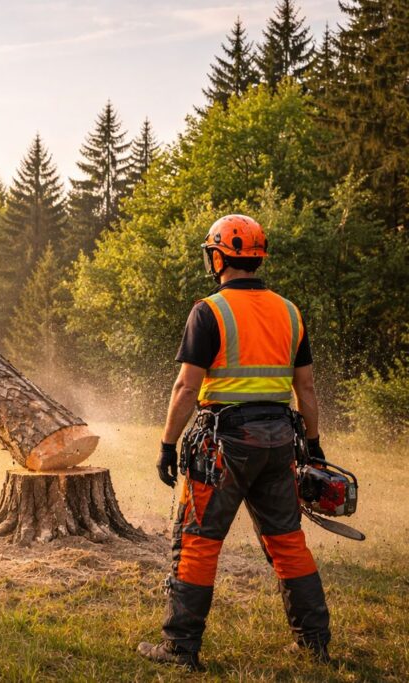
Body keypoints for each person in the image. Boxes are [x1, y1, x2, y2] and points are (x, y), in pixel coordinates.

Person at [137, 215, 331, 672]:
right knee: (287, 540)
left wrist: (167, 444)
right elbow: (306, 388)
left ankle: (180, 648)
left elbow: (187, 387)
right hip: (280, 442)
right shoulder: (290, 312)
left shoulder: (210, 311)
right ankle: (315, 644)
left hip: (223, 445)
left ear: (219, 258)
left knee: (198, 541)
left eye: (212, 253)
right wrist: (314, 444)